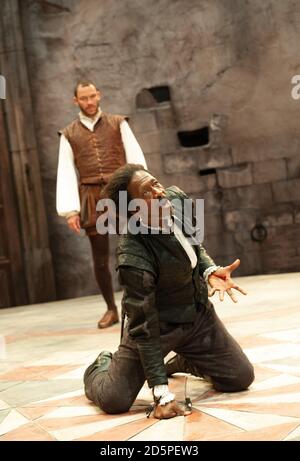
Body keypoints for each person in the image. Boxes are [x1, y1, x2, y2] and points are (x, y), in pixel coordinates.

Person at [83, 164, 255, 419]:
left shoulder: (177, 200)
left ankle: (186, 360)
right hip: (156, 326)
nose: (159, 192)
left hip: (197, 316)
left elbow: (194, 246)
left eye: (155, 183)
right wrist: (161, 392)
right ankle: (102, 364)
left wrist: (208, 270)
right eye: (147, 192)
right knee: (114, 399)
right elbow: (144, 323)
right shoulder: (133, 251)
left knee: (240, 377)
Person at [56, 80, 147, 328]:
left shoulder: (119, 123)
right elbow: (65, 171)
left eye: (92, 96)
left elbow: (135, 159)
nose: (89, 102)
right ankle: (111, 308)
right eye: (83, 98)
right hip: (91, 197)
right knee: (99, 259)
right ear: (76, 101)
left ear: (99, 95)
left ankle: (140, 303)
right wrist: (70, 211)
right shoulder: (69, 134)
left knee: (135, 249)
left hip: (120, 192)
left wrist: (140, 193)